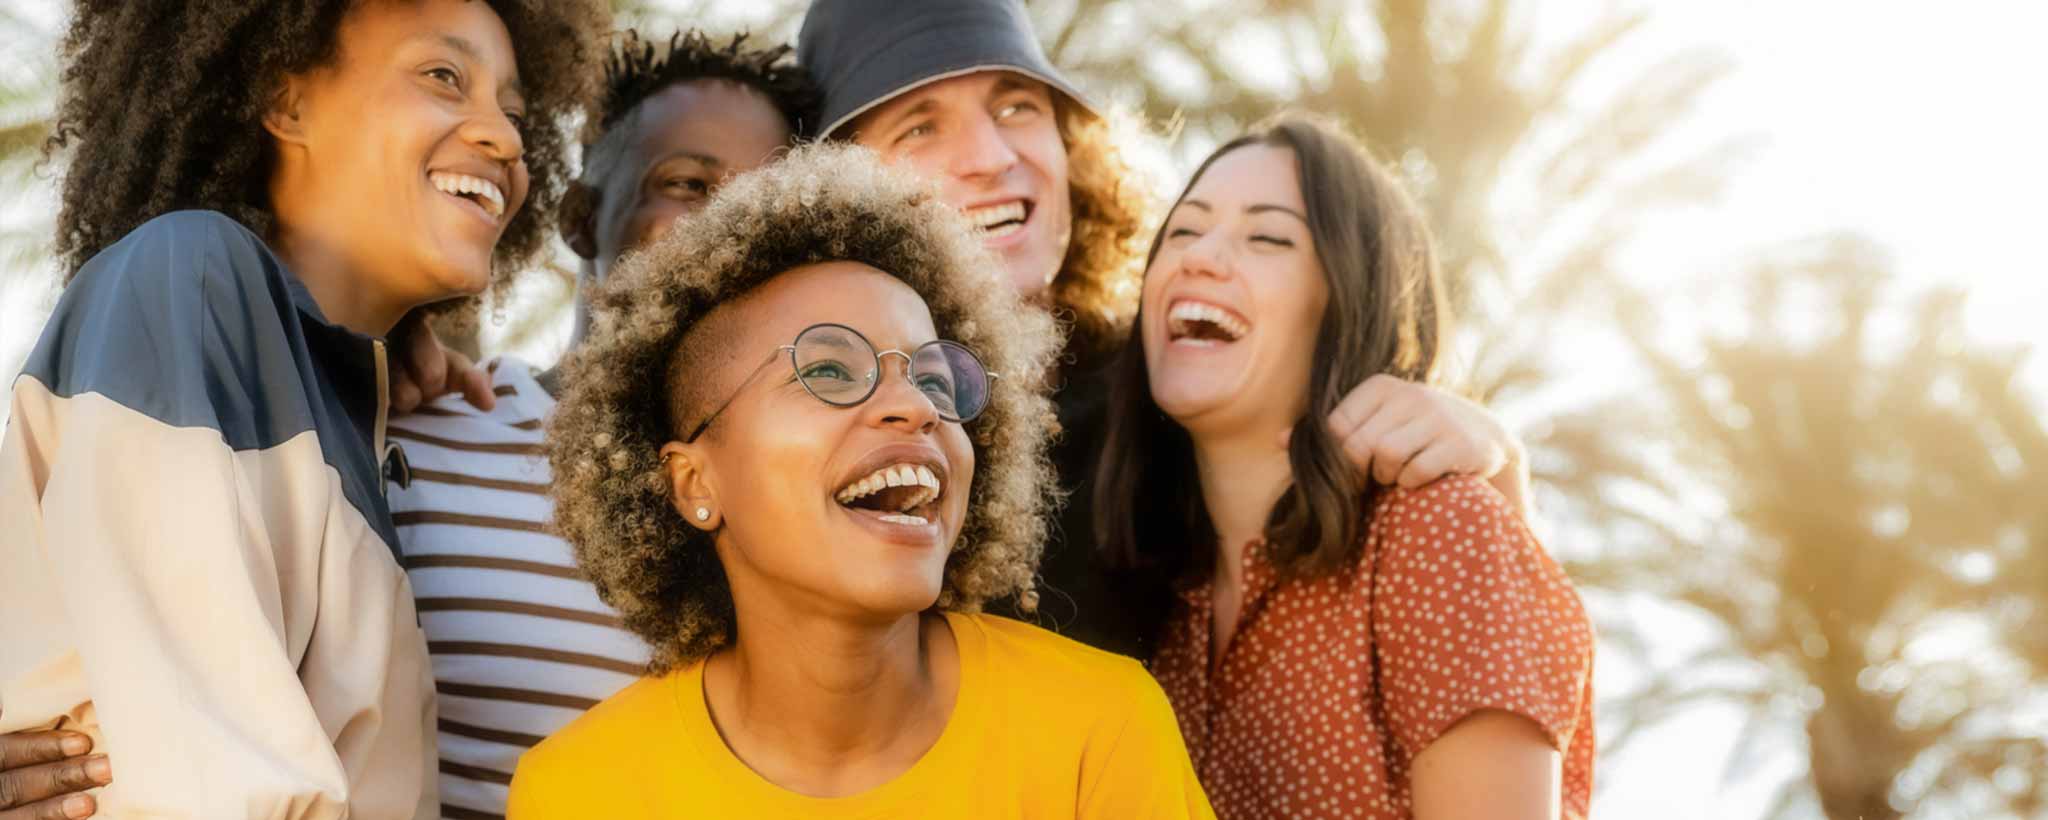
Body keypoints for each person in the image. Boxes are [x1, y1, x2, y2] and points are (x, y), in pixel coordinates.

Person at [0, 0, 604, 817]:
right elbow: (215, 788)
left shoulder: (345, 408)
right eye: (443, 77)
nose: (504, 138)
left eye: (516, 111)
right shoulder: (191, 280)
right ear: (286, 101)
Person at [797, 0, 1536, 657]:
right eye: (919, 126)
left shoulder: (1177, 385)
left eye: (1018, 106)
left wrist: (1497, 474)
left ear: (1070, 147)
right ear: (838, 193)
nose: (992, 157)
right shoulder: (805, 431)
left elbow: (1434, 614)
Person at [507, 143, 1212, 818]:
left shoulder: (1100, 729)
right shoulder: (580, 793)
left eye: (935, 377)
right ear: (694, 482)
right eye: (828, 371)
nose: (914, 406)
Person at [1095, 115, 1596, 819]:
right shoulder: (1159, 605)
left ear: (1348, 301)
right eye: (1182, 231)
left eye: (1267, 237)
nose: (1199, 257)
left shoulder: (1436, 530)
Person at [385, 29, 816, 817]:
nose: (730, 230)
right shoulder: (418, 431)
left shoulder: (807, 512)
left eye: (766, 207)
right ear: (582, 216)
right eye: (687, 184)